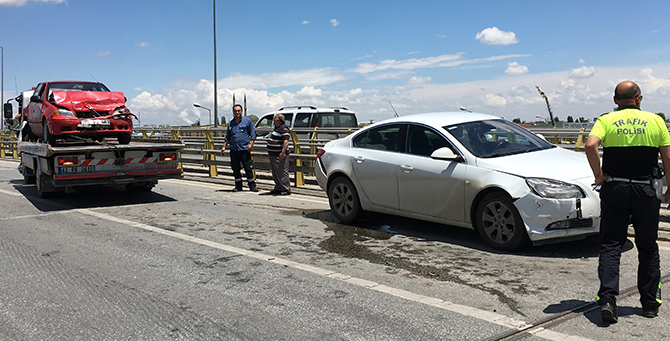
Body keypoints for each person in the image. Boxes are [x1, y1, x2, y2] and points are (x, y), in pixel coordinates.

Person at [585, 80, 670, 324]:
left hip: (616, 188)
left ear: (615, 100)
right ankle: (650, 304)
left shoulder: (606, 120)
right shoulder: (655, 120)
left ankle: (609, 300)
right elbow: (668, 156)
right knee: (647, 246)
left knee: (611, 244)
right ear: (639, 98)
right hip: (646, 190)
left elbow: (590, 145)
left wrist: (598, 175)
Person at [221, 104, 258, 192]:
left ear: (241, 111)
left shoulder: (247, 121)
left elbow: (253, 134)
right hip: (234, 149)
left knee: (248, 168)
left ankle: (252, 186)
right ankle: (238, 186)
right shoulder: (231, 123)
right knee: (235, 168)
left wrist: (251, 144)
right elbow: (228, 136)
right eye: (235, 111)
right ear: (233, 112)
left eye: (238, 111)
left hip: (244, 149)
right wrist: (224, 147)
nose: (237, 112)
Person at [267, 113, 291, 195]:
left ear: (277, 120)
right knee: (275, 172)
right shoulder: (277, 128)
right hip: (273, 154)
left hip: (279, 154)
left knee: (282, 172)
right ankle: (278, 188)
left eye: (274, 119)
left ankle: (285, 189)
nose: (273, 121)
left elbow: (286, 141)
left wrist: (282, 152)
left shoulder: (284, 128)